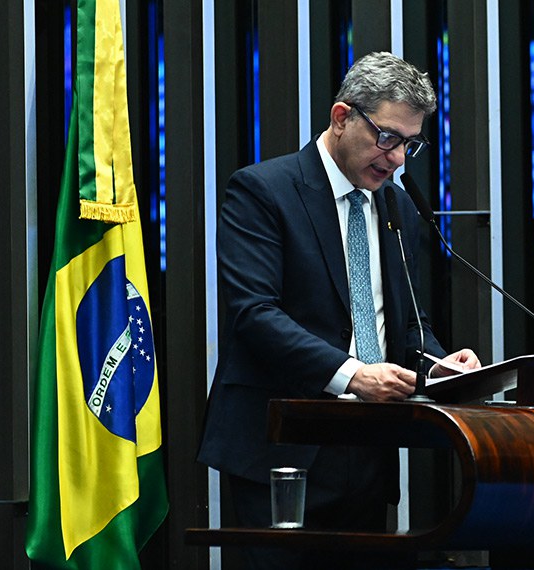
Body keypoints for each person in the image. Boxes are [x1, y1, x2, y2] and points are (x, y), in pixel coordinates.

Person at [197, 51, 480, 569]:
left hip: (370, 445)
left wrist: (437, 364)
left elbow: (405, 322)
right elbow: (255, 314)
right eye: (387, 137)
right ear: (342, 117)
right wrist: (353, 375)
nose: (397, 159)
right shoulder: (263, 190)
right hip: (282, 445)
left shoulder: (397, 207)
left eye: (410, 144)